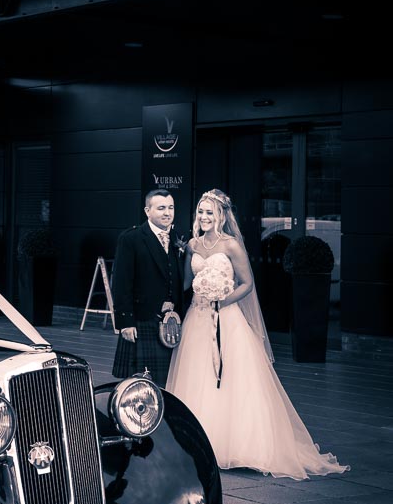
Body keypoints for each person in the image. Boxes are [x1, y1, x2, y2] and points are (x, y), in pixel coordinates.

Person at [166, 189, 349, 480]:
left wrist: (222, 300)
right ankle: (200, 442)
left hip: (227, 318)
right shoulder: (192, 245)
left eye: (210, 212)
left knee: (233, 380)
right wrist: (178, 264)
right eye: (201, 211)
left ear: (221, 215)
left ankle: (240, 446)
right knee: (196, 376)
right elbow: (187, 283)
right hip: (197, 319)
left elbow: (247, 284)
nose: (204, 217)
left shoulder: (231, 245)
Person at [111, 188, 185, 387]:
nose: (167, 213)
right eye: (161, 208)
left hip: (172, 322)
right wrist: (125, 322)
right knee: (142, 384)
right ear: (147, 211)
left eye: (171, 207)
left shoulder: (177, 237)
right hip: (143, 319)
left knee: (170, 380)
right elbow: (121, 282)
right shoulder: (131, 238)